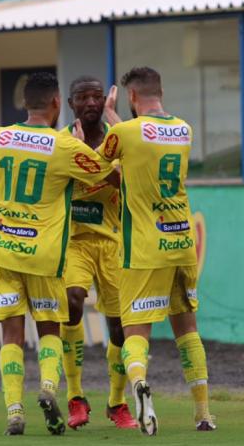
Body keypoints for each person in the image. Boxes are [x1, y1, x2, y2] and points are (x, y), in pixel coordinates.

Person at [0, 72, 114, 436]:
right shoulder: (64, 146)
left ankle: (13, 411)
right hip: (43, 256)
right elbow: (106, 171)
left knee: (11, 336)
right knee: (49, 331)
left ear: (25, 103)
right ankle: (49, 389)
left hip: (2, 252)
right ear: (58, 103)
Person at [98, 67, 216, 434]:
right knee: (187, 330)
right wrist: (115, 120)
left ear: (131, 97)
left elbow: (103, 162)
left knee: (135, 332)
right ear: (159, 92)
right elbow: (142, 139)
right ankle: (203, 414)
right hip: (181, 244)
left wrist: (107, 118)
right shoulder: (184, 129)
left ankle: (138, 385)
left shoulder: (123, 132)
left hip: (143, 249)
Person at [57, 76, 135, 430]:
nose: (90, 102)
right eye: (82, 97)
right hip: (74, 241)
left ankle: (117, 403)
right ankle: (75, 396)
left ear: (106, 101)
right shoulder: (60, 142)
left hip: (111, 241)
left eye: (96, 97)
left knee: (119, 327)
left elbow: (126, 179)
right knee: (73, 301)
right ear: (71, 103)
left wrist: (85, 158)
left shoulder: (117, 139)